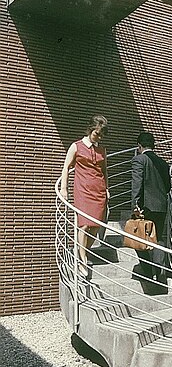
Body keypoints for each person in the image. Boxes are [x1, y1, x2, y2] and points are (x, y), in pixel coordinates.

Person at [61, 115, 109, 276]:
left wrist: (107, 188)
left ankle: (82, 250)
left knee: (95, 226)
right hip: (82, 190)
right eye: (97, 133)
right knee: (84, 224)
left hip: (99, 191)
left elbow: (105, 171)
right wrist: (64, 189)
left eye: (102, 135)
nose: (99, 137)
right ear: (90, 130)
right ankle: (82, 261)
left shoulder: (102, 150)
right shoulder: (76, 146)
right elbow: (66, 167)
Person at [131, 132, 171, 283]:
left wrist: (135, 205)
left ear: (139, 146)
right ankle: (160, 272)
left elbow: (137, 184)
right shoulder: (163, 163)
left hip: (145, 207)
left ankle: (148, 272)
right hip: (161, 207)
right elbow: (167, 187)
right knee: (158, 238)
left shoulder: (139, 159)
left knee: (139, 239)